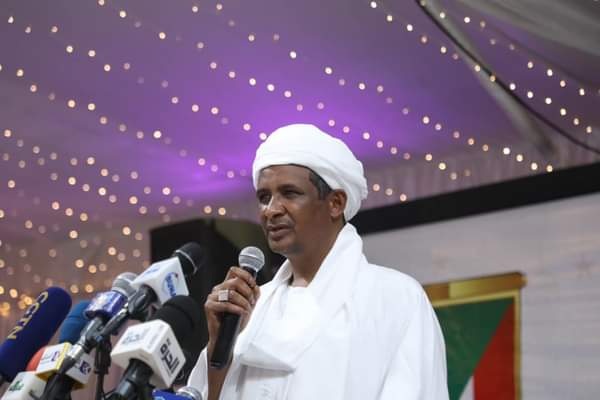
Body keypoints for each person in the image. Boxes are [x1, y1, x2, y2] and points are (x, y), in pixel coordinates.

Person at [188, 123, 449, 399]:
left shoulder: (395, 298)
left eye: (290, 193)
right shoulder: (252, 306)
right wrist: (218, 348)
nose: (271, 210)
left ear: (335, 203)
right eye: (264, 197)